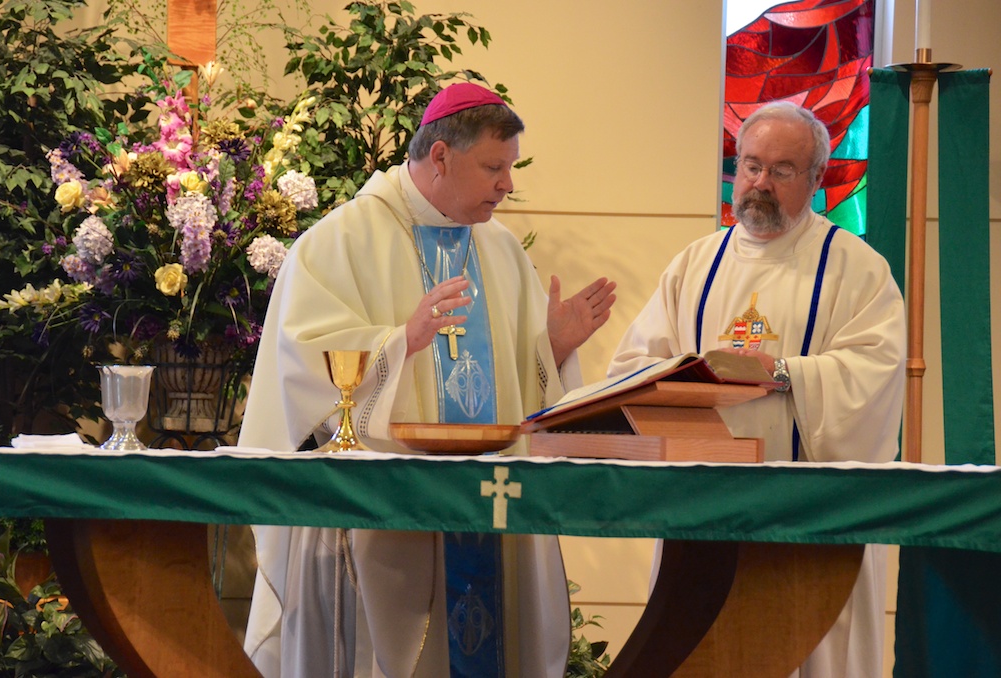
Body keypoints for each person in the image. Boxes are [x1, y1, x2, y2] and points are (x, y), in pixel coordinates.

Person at [240, 82, 617, 678]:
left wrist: (554, 349)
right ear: (440, 156)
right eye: (494, 167)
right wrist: (400, 342)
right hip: (377, 523)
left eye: (509, 167)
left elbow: (520, 393)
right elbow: (298, 365)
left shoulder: (502, 251)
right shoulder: (338, 241)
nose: (507, 184)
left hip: (487, 511)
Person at [608, 100, 905, 678]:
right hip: (704, 513)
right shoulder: (697, 263)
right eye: (749, 166)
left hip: (812, 527)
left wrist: (784, 375)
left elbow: (875, 373)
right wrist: (681, 381)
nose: (759, 184)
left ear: (818, 177)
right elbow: (634, 367)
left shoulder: (858, 269)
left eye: (781, 170)